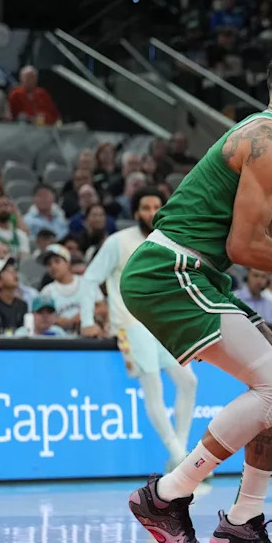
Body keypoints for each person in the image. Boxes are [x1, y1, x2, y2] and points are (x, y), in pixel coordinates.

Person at [119, 47, 272, 543]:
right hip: (169, 271)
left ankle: (243, 522)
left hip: (199, 275)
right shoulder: (267, 141)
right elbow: (246, 247)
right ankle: (166, 494)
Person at [80, 187, 199, 471]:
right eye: (145, 207)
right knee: (154, 386)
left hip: (163, 325)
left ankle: (179, 452)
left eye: (156, 207)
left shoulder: (170, 243)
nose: (151, 213)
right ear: (135, 212)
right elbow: (89, 279)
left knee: (189, 382)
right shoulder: (118, 242)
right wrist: (87, 321)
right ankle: (179, 456)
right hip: (130, 325)